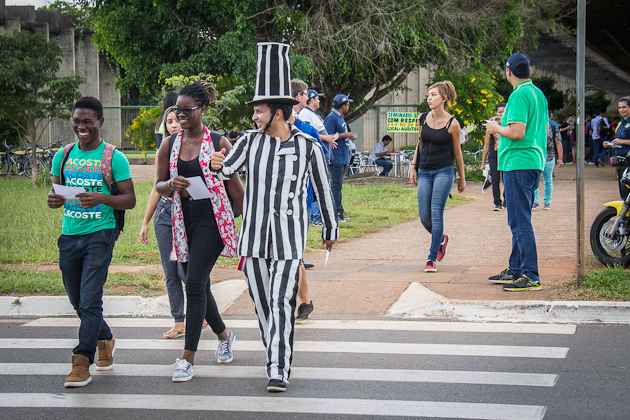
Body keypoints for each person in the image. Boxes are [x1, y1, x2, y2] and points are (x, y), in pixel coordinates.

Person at [210, 42, 338, 392]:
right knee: (263, 305)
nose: (254, 117)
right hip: (252, 241)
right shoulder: (249, 142)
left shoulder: (308, 147)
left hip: (288, 241)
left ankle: (278, 368)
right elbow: (226, 170)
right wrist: (216, 163)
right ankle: (276, 353)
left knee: (282, 302)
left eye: (259, 111)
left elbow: (323, 188)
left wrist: (330, 227)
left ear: (277, 113)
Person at [155, 81, 244, 382]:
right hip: (182, 219)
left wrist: (238, 220)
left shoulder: (219, 143)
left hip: (212, 218)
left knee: (193, 283)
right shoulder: (169, 145)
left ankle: (187, 360)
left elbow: (237, 191)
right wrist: (170, 185)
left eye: (187, 110)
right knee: (199, 284)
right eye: (176, 110)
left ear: (202, 109)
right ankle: (225, 335)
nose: (180, 115)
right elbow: (159, 185)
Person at [47, 96, 136, 387]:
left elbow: (129, 199)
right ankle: (105, 338)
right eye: (77, 121)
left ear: (100, 121)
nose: (81, 126)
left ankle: (81, 361)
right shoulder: (63, 156)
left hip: (101, 233)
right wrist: (53, 200)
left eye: (87, 121)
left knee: (89, 299)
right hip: (69, 234)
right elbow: (56, 194)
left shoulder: (114, 157)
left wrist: (101, 198)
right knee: (78, 300)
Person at [142, 106, 207, 339]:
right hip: (164, 213)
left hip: (189, 212)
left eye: (177, 120)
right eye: (169, 121)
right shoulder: (164, 149)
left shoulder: (196, 146)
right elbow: (156, 188)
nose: (173, 125)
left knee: (187, 269)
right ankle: (179, 321)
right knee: (170, 271)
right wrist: (146, 221)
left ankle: (202, 312)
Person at [486, 53, 547, 292]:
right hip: (531, 160)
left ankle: (530, 274)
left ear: (508, 71)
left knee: (519, 221)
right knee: (520, 218)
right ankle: (516, 267)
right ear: (529, 70)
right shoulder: (537, 94)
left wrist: (495, 127)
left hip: (518, 162)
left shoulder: (519, 94)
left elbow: (517, 132)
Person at [409, 81, 466, 273]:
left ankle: (431, 258)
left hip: (444, 171)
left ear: (444, 98)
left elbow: (457, 152)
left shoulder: (453, 124)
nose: (429, 98)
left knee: (436, 213)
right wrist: (413, 166)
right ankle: (441, 239)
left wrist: (462, 177)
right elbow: (420, 144)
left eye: (433, 95)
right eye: (428, 95)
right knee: (425, 218)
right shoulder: (422, 119)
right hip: (424, 171)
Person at [289, 78, 330, 323]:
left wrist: (328, 223)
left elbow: (319, 169)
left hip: (300, 202)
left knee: (293, 255)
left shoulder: (307, 129)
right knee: (291, 256)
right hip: (274, 204)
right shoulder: (265, 131)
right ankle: (304, 301)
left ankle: (302, 301)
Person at [325, 94, 357, 222]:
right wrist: (345, 135)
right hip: (336, 157)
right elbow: (328, 136)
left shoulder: (340, 118)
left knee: (339, 186)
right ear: (343, 105)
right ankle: (336, 212)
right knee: (336, 186)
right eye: (347, 104)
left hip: (342, 156)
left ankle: (339, 210)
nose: (348, 107)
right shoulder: (331, 118)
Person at [481, 103, 507, 211]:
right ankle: (497, 203)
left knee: (506, 179)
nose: (502, 114)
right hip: (494, 155)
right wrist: (483, 162)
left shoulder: (508, 125)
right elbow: (486, 144)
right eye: (500, 112)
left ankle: (506, 199)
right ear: (496, 113)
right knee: (495, 180)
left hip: (506, 155)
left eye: (504, 112)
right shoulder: (490, 127)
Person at [604, 97, 630, 200]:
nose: (622, 110)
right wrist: (610, 144)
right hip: (620, 159)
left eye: (624, 107)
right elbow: (617, 140)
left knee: (627, 188)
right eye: (620, 108)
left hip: (628, 158)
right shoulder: (620, 123)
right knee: (622, 189)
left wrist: (622, 141)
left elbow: (621, 141)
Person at [533, 122, 563, 210]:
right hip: (536, 157)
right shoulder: (534, 125)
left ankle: (547, 202)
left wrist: (560, 158)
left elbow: (558, 142)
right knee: (534, 179)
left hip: (549, 156)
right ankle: (535, 201)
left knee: (548, 179)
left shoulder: (553, 128)